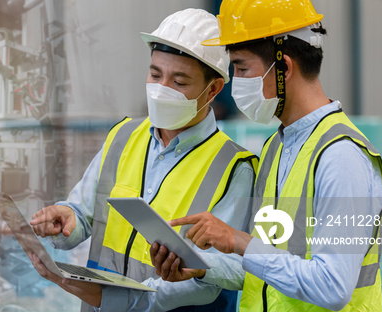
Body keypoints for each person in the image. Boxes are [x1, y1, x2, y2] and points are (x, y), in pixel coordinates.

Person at [152, 1, 382, 311]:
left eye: (242, 67)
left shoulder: (340, 157)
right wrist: (204, 266)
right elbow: (267, 267)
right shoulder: (277, 148)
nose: (235, 81)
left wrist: (238, 240)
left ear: (284, 68)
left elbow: (333, 286)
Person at [27, 9, 258, 311]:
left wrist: (118, 300)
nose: (162, 90)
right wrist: (67, 219)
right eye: (155, 74)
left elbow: (224, 272)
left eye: (179, 81)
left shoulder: (234, 168)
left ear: (212, 89)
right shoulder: (123, 135)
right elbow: (82, 212)